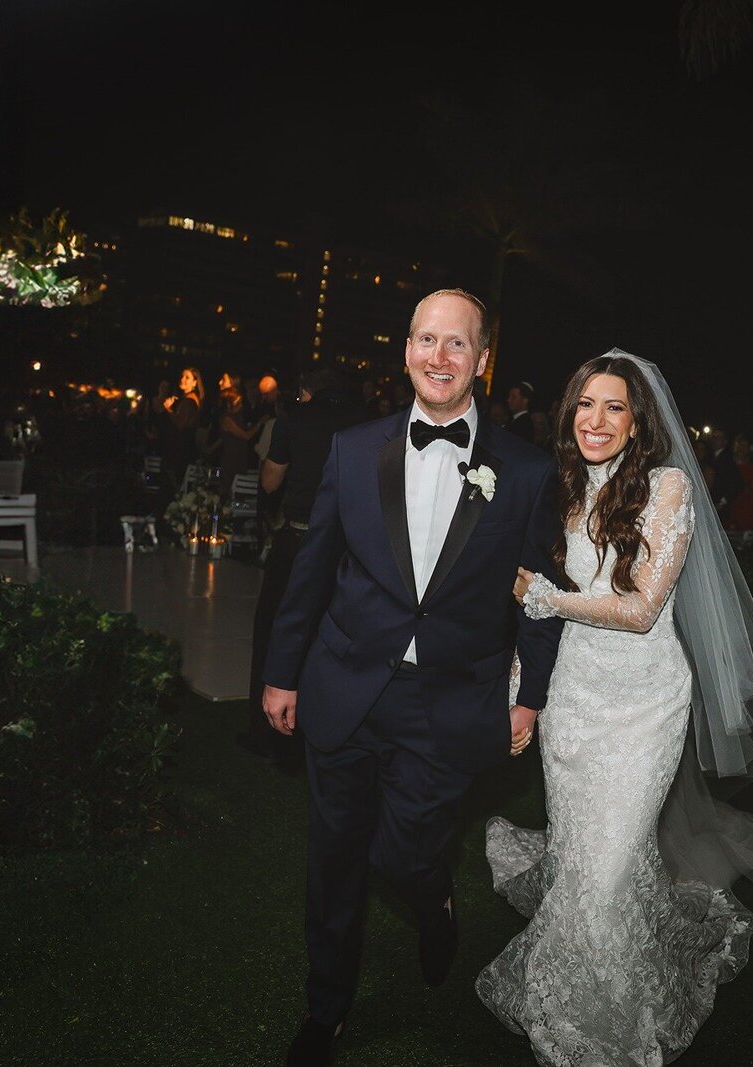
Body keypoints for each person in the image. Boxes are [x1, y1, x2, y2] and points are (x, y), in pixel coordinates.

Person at [260, 289, 564, 1066]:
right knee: (332, 862)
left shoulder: (525, 470)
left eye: (456, 344)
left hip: (452, 698)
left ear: (483, 361)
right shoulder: (354, 448)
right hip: (346, 687)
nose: (438, 356)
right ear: (405, 350)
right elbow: (313, 568)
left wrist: (529, 696)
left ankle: (433, 899)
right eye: (425, 340)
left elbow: (537, 592)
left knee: (403, 853)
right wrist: (282, 672)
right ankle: (324, 1011)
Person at [478, 349, 753, 1066]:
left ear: (637, 420)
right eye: (585, 405)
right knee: (581, 852)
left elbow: (645, 605)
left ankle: (611, 1016)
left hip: (645, 701)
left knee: (613, 857)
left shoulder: (668, 485)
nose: (596, 420)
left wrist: (545, 595)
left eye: (613, 406)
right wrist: (520, 696)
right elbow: (539, 619)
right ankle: (571, 995)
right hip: (573, 698)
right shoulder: (555, 485)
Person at [242, 364, 364, 750]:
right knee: (333, 640)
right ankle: (325, 727)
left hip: (300, 541)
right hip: (351, 551)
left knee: (275, 630)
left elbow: (270, 480)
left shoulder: (295, 416)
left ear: (306, 390)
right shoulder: (368, 421)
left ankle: (267, 730)